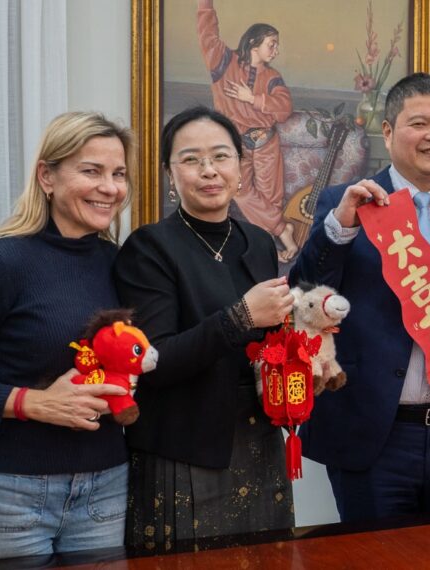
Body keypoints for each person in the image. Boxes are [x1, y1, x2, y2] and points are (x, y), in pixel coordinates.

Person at [289, 73, 430, 522]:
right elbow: (306, 295)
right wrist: (341, 227)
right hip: (373, 436)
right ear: (388, 132)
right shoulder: (345, 204)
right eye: (419, 124)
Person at [0, 112, 134, 563]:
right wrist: (33, 403)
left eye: (118, 173)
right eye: (91, 171)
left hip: (106, 490)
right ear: (46, 176)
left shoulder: (121, 263)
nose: (109, 187)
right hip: (7, 496)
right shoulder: (0, 262)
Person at [113, 106, 296, 550]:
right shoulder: (149, 247)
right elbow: (154, 361)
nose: (208, 171)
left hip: (259, 440)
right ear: (169, 174)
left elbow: (267, 344)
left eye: (220, 156)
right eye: (191, 160)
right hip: (184, 448)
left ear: (240, 165)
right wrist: (242, 316)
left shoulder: (257, 241)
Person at [197, 0, 298, 261]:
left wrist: (252, 97)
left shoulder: (273, 76)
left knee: (271, 199)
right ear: (254, 42)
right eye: (271, 43)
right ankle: (281, 232)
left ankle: (267, 250)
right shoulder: (224, 62)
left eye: (277, 44)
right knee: (239, 191)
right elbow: (208, 34)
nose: (275, 49)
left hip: (266, 142)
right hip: (234, 144)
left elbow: (284, 107)